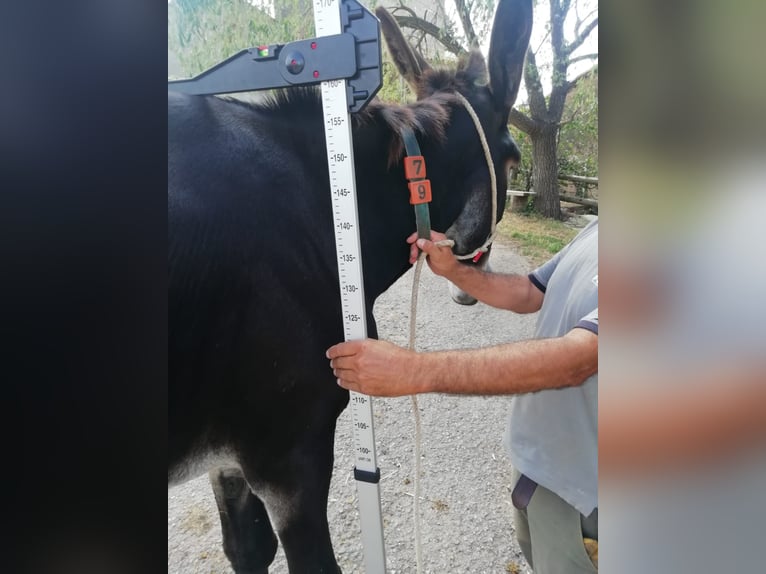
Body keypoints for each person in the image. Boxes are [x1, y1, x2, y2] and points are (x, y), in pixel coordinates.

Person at [327, 218, 599, 574]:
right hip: (537, 467)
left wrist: (412, 371)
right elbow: (530, 292)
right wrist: (456, 271)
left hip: (584, 494)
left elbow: (578, 360)